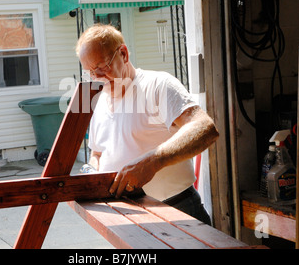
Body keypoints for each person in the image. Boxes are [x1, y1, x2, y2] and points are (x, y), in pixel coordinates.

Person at [76, 24, 219, 225]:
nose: (97, 77)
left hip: (176, 210)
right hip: (125, 216)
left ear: (123, 54)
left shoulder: (158, 85)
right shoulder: (98, 102)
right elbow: (97, 153)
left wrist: (153, 162)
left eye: (102, 67)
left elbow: (205, 129)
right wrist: (91, 172)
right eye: (90, 72)